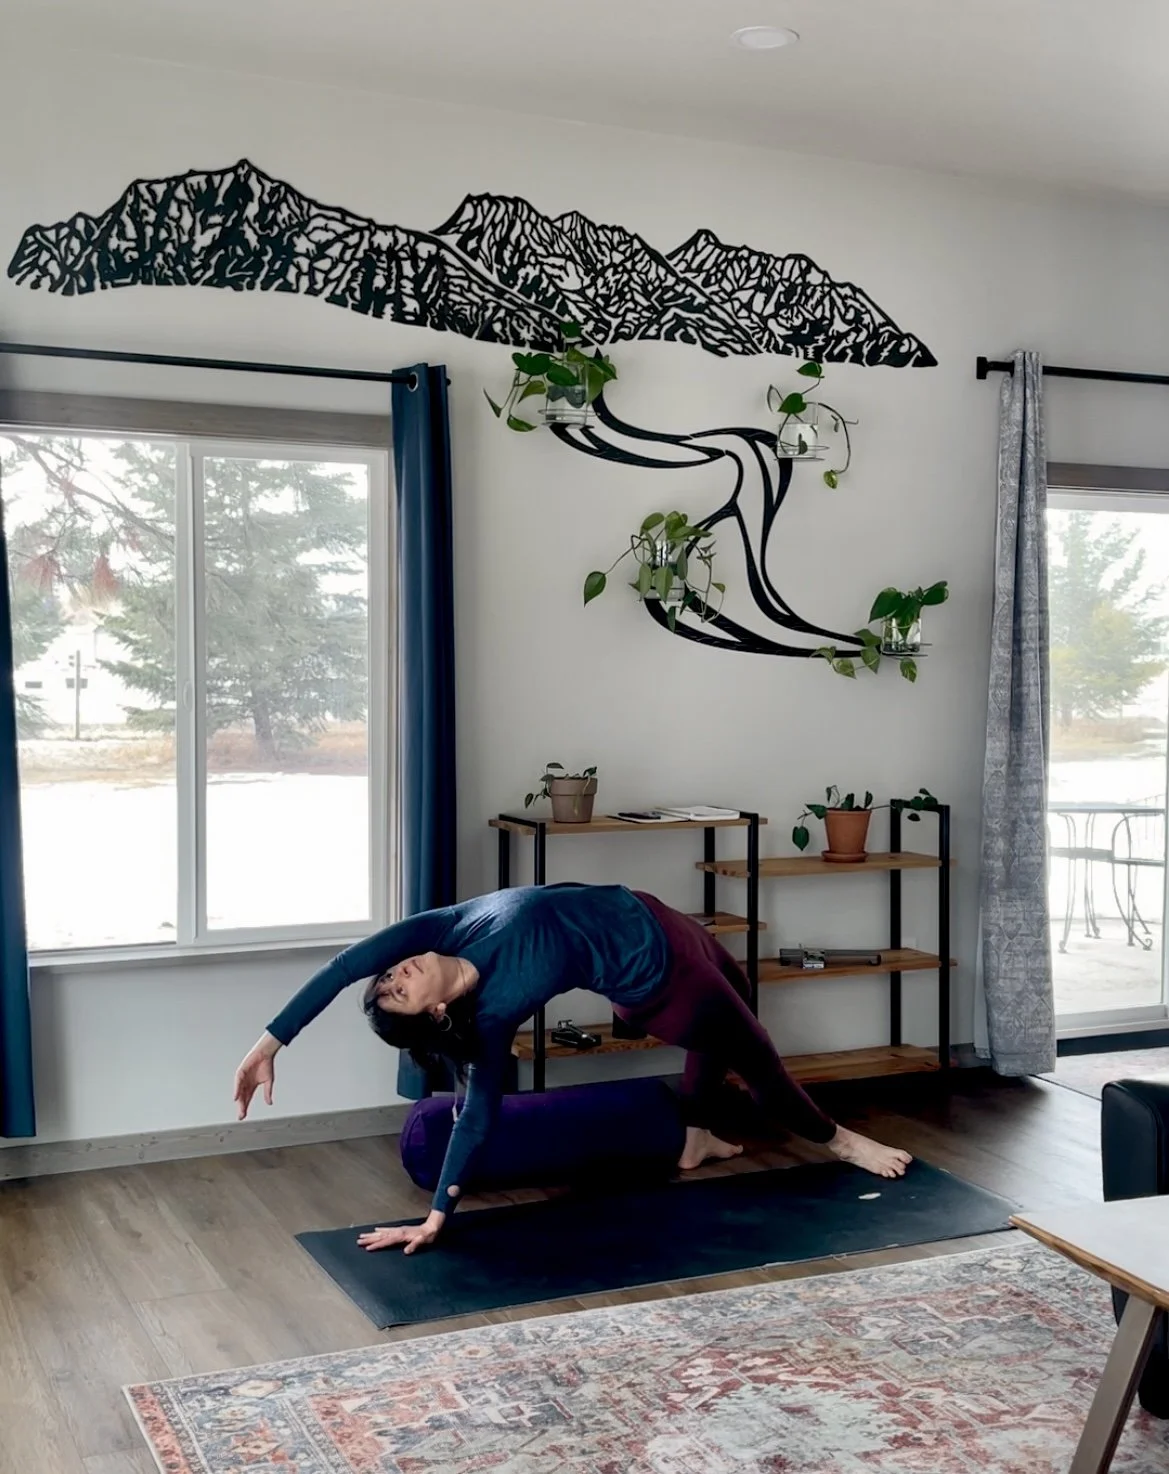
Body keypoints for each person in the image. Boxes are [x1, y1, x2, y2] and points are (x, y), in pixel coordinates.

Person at [233, 883, 912, 1255]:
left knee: (739, 1003)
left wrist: (268, 1044)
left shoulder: (442, 928)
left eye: (392, 978)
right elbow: (477, 1119)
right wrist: (437, 1217)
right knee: (752, 1049)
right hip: (658, 982)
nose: (395, 974)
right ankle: (841, 1141)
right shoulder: (492, 1020)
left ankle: (696, 1136)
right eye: (399, 992)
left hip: (656, 915)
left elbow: (339, 968)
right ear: (435, 1013)